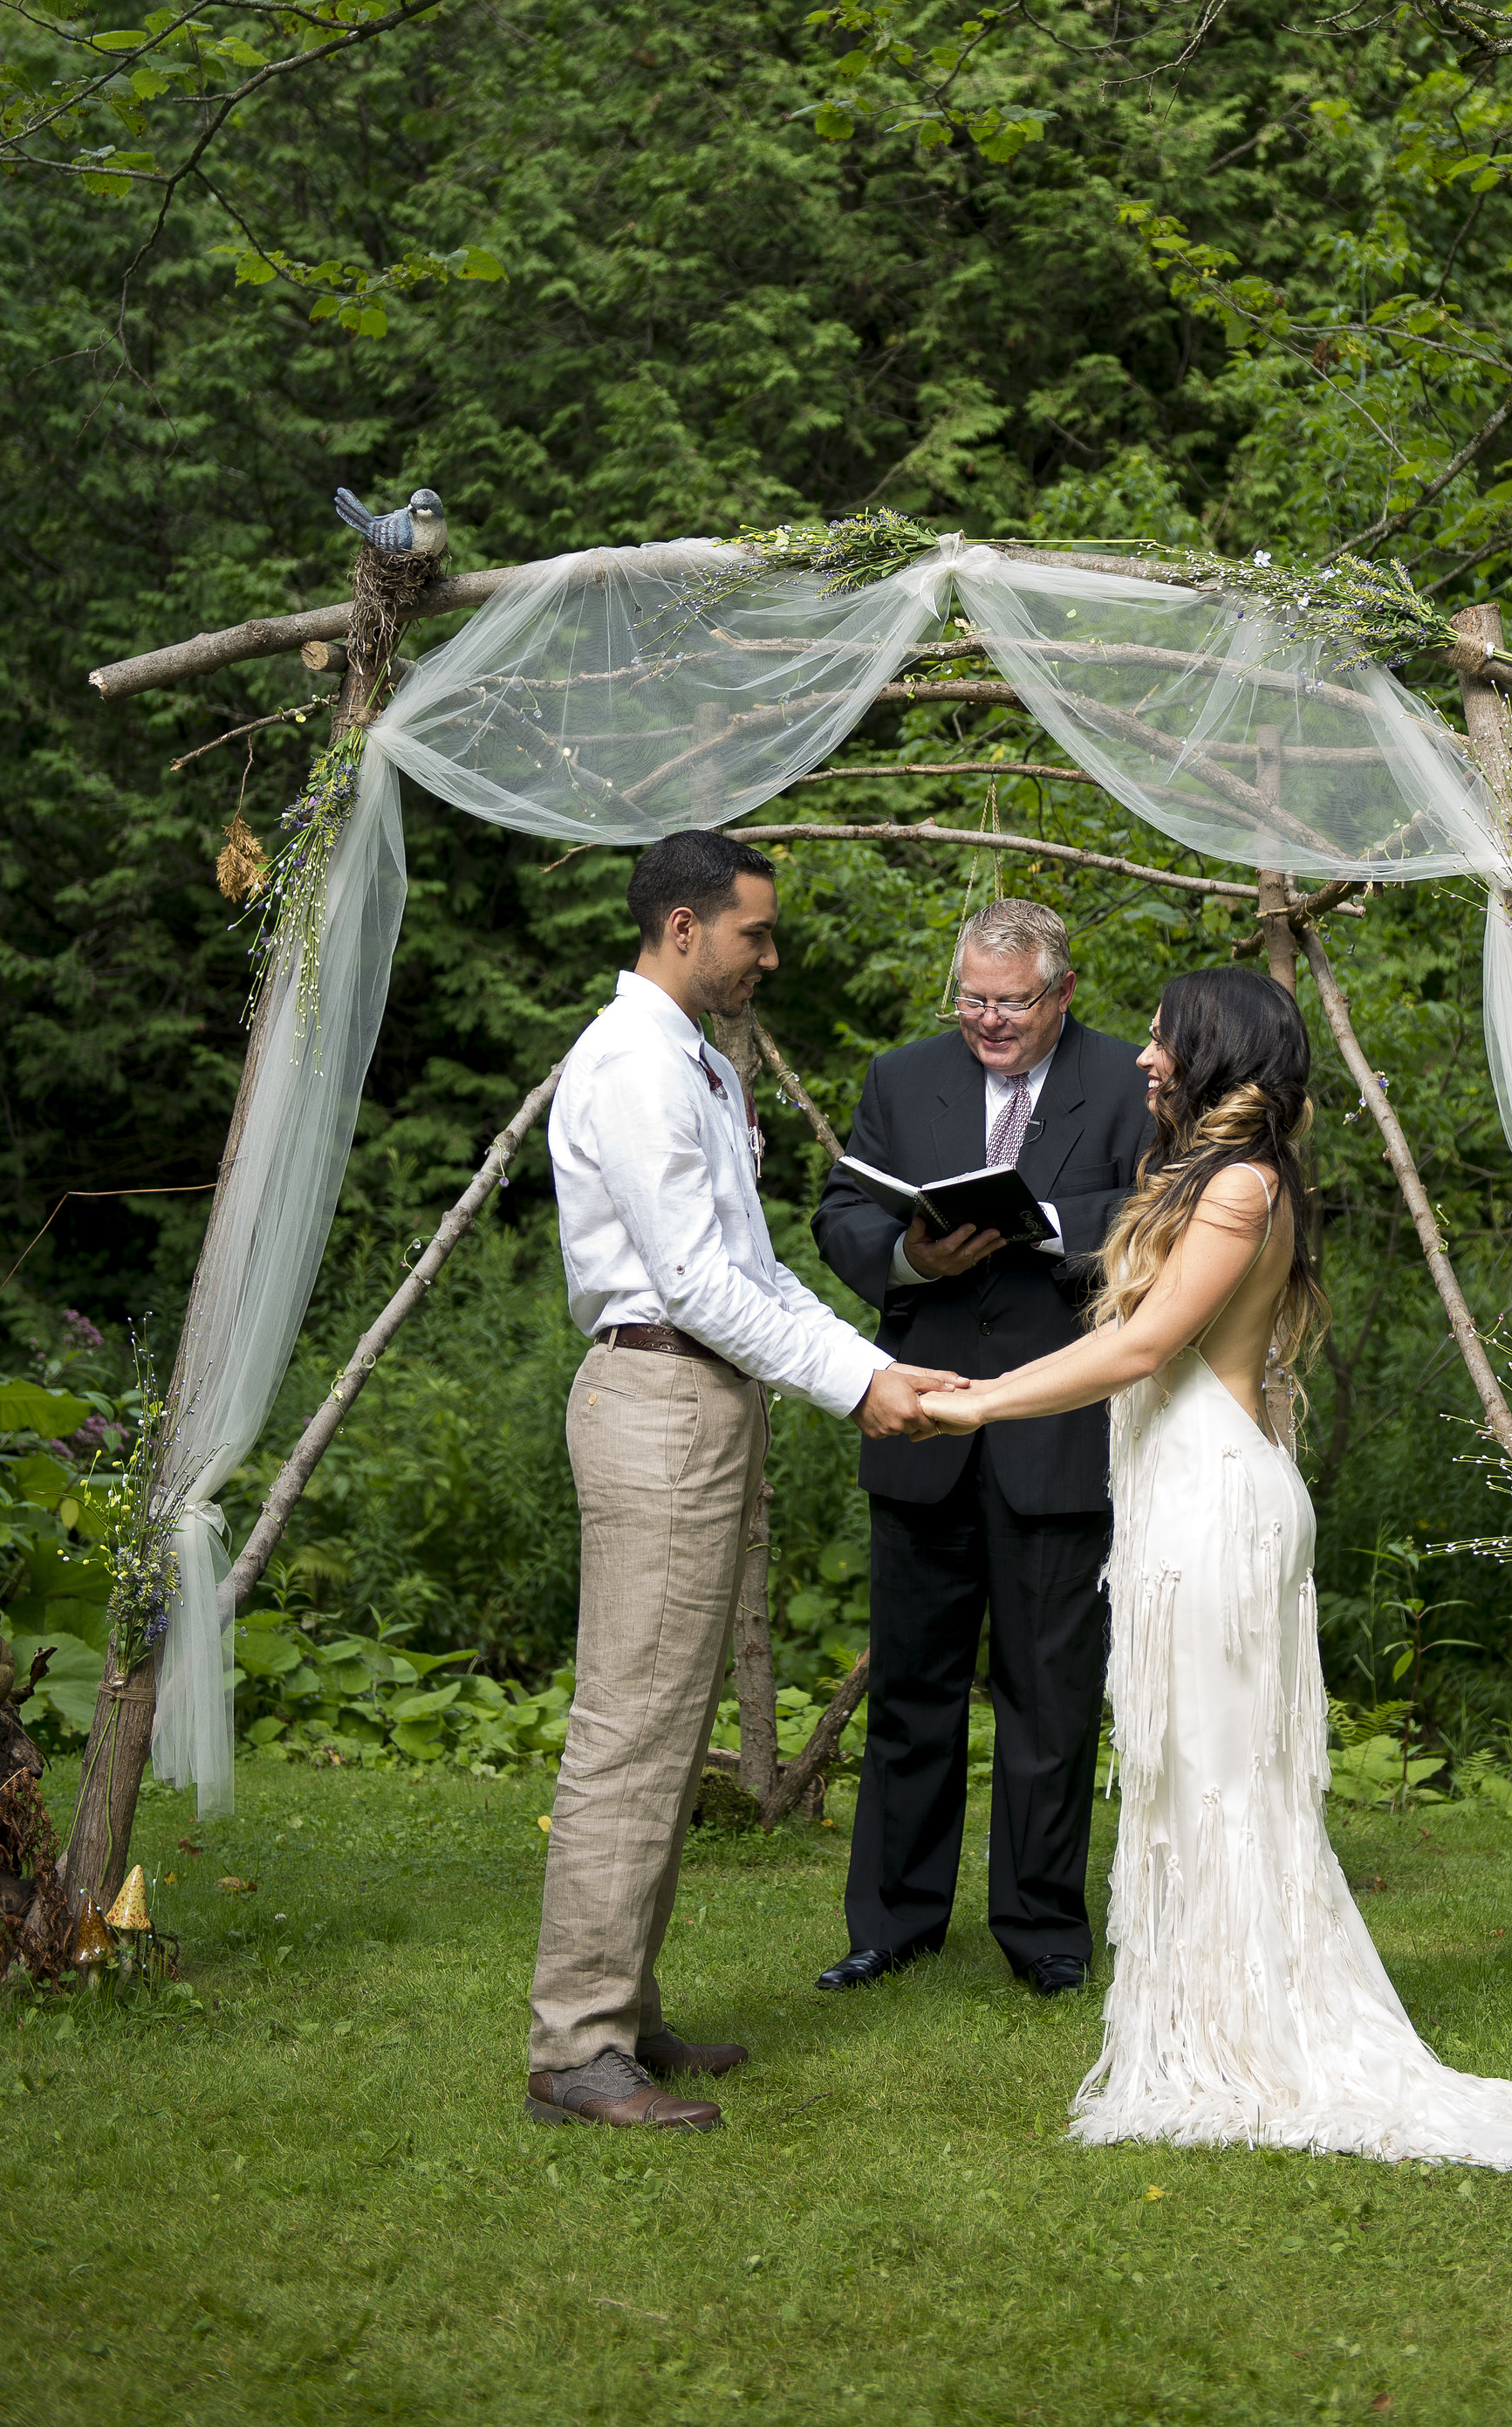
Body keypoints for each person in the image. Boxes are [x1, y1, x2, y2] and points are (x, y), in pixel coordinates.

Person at [915, 965, 1512, 2176]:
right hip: (1180, 1490)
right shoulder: (1206, 1178)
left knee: (1222, 1773)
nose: (1143, 1058)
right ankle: (1208, 2018)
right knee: (1188, 1767)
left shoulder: (1243, 1186)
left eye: (1163, 1041)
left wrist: (978, 1402)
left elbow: (1144, 1343)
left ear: (1215, 1056)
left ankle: (1256, 2035)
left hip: (1215, 1500)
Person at [526, 829, 961, 2136]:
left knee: (667, 1714)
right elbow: (696, 1283)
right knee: (633, 1725)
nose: (770, 954)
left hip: (698, 1396)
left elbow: (754, 1268)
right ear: (681, 929)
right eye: (753, 934)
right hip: (656, 1393)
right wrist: (858, 1388)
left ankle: (625, 2010)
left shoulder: (691, 1060)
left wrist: (872, 1364)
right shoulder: (635, 1069)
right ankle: (575, 2048)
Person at [810, 900, 1151, 1996]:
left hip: (1058, 1428)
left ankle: (1043, 1928)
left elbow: (1164, 1213)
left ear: (1061, 992)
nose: (987, 1020)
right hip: (922, 1422)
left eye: (1009, 1000)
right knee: (912, 1686)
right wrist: (909, 1253)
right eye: (970, 997)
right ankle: (893, 1920)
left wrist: (1043, 1224)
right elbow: (838, 1212)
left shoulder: (1130, 1078)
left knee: (1048, 1696)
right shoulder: (901, 1079)